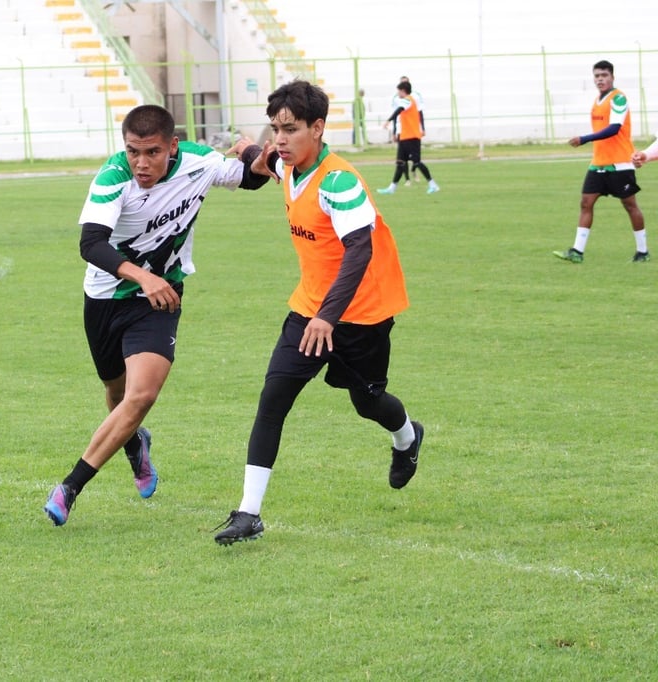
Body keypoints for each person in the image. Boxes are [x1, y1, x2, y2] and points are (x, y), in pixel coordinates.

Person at [213, 80, 424, 546]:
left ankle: (408, 437)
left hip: (361, 315)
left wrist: (329, 317)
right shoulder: (286, 164)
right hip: (308, 308)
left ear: (319, 128)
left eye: (290, 129)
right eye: (276, 129)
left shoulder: (340, 181)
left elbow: (359, 251)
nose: (281, 139)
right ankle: (248, 514)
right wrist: (249, 148)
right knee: (273, 400)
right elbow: (261, 159)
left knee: (368, 403)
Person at [43, 104, 271, 526]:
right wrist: (141, 277)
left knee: (142, 395)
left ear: (172, 146)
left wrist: (253, 152)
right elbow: (91, 244)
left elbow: (254, 178)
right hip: (106, 299)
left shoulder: (200, 163)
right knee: (117, 394)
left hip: (160, 299)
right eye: (132, 152)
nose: (141, 163)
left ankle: (69, 487)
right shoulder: (113, 177)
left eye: (151, 152)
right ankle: (135, 444)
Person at [554, 60, 649, 263]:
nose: (600, 79)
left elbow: (614, 128)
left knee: (630, 205)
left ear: (612, 77)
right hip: (598, 162)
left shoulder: (619, 99)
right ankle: (577, 252)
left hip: (620, 163)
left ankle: (643, 251)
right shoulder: (598, 99)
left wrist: (584, 138)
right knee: (586, 203)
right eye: (597, 76)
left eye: (604, 75)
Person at [378, 80, 439, 195]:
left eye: (399, 91)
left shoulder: (408, 100)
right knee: (400, 162)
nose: (398, 94)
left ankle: (433, 184)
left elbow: (399, 110)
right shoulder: (407, 101)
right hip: (405, 137)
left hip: (412, 137)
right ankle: (392, 188)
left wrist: (388, 121)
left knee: (417, 162)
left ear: (403, 91)